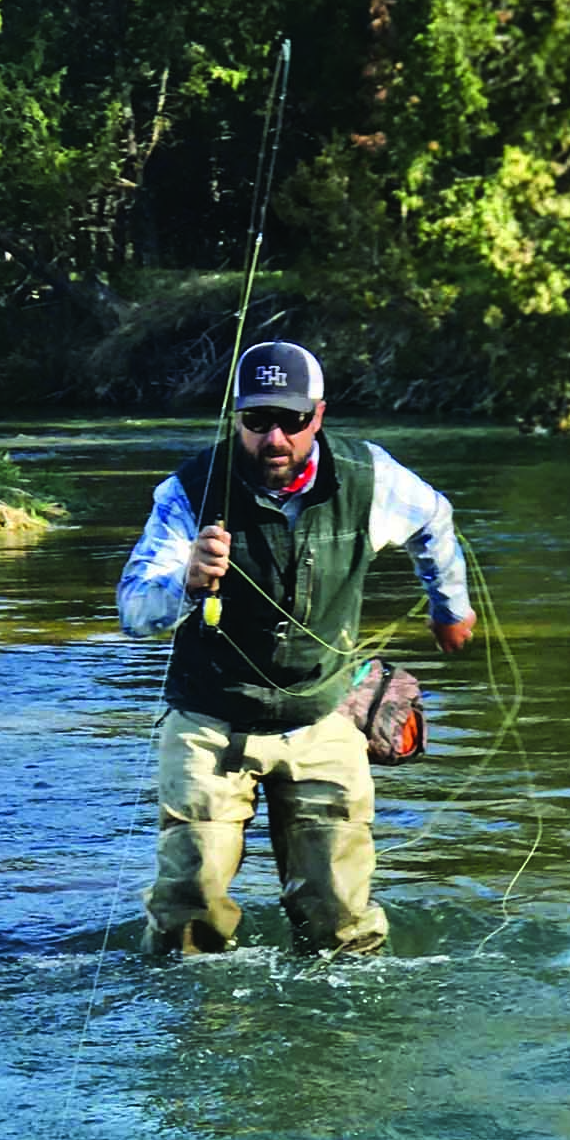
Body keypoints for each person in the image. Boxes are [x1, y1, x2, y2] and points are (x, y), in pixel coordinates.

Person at [117, 340, 476, 956]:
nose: (274, 438)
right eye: (257, 421)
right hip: (210, 721)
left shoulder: (372, 478)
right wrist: (187, 582)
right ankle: (191, 1024)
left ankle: (340, 1038)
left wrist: (450, 610)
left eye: (292, 420)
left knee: (342, 924)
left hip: (323, 714)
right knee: (189, 915)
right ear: (236, 419)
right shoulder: (186, 492)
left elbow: (435, 522)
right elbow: (133, 611)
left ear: (319, 415)